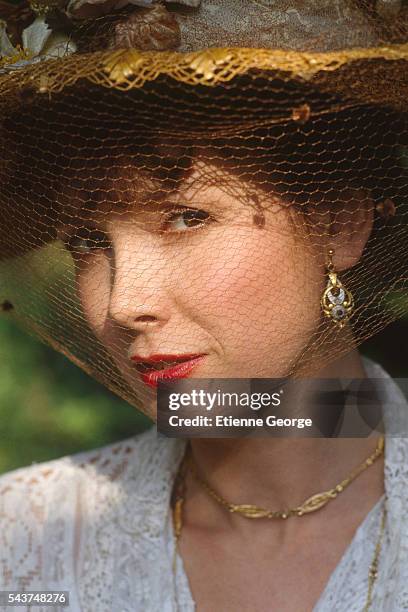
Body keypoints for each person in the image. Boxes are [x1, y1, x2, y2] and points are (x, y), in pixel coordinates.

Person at [0, 1, 407, 610]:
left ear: (339, 222)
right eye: (87, 243)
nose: (124, 302)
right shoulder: (24, 544)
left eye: (186, 218)